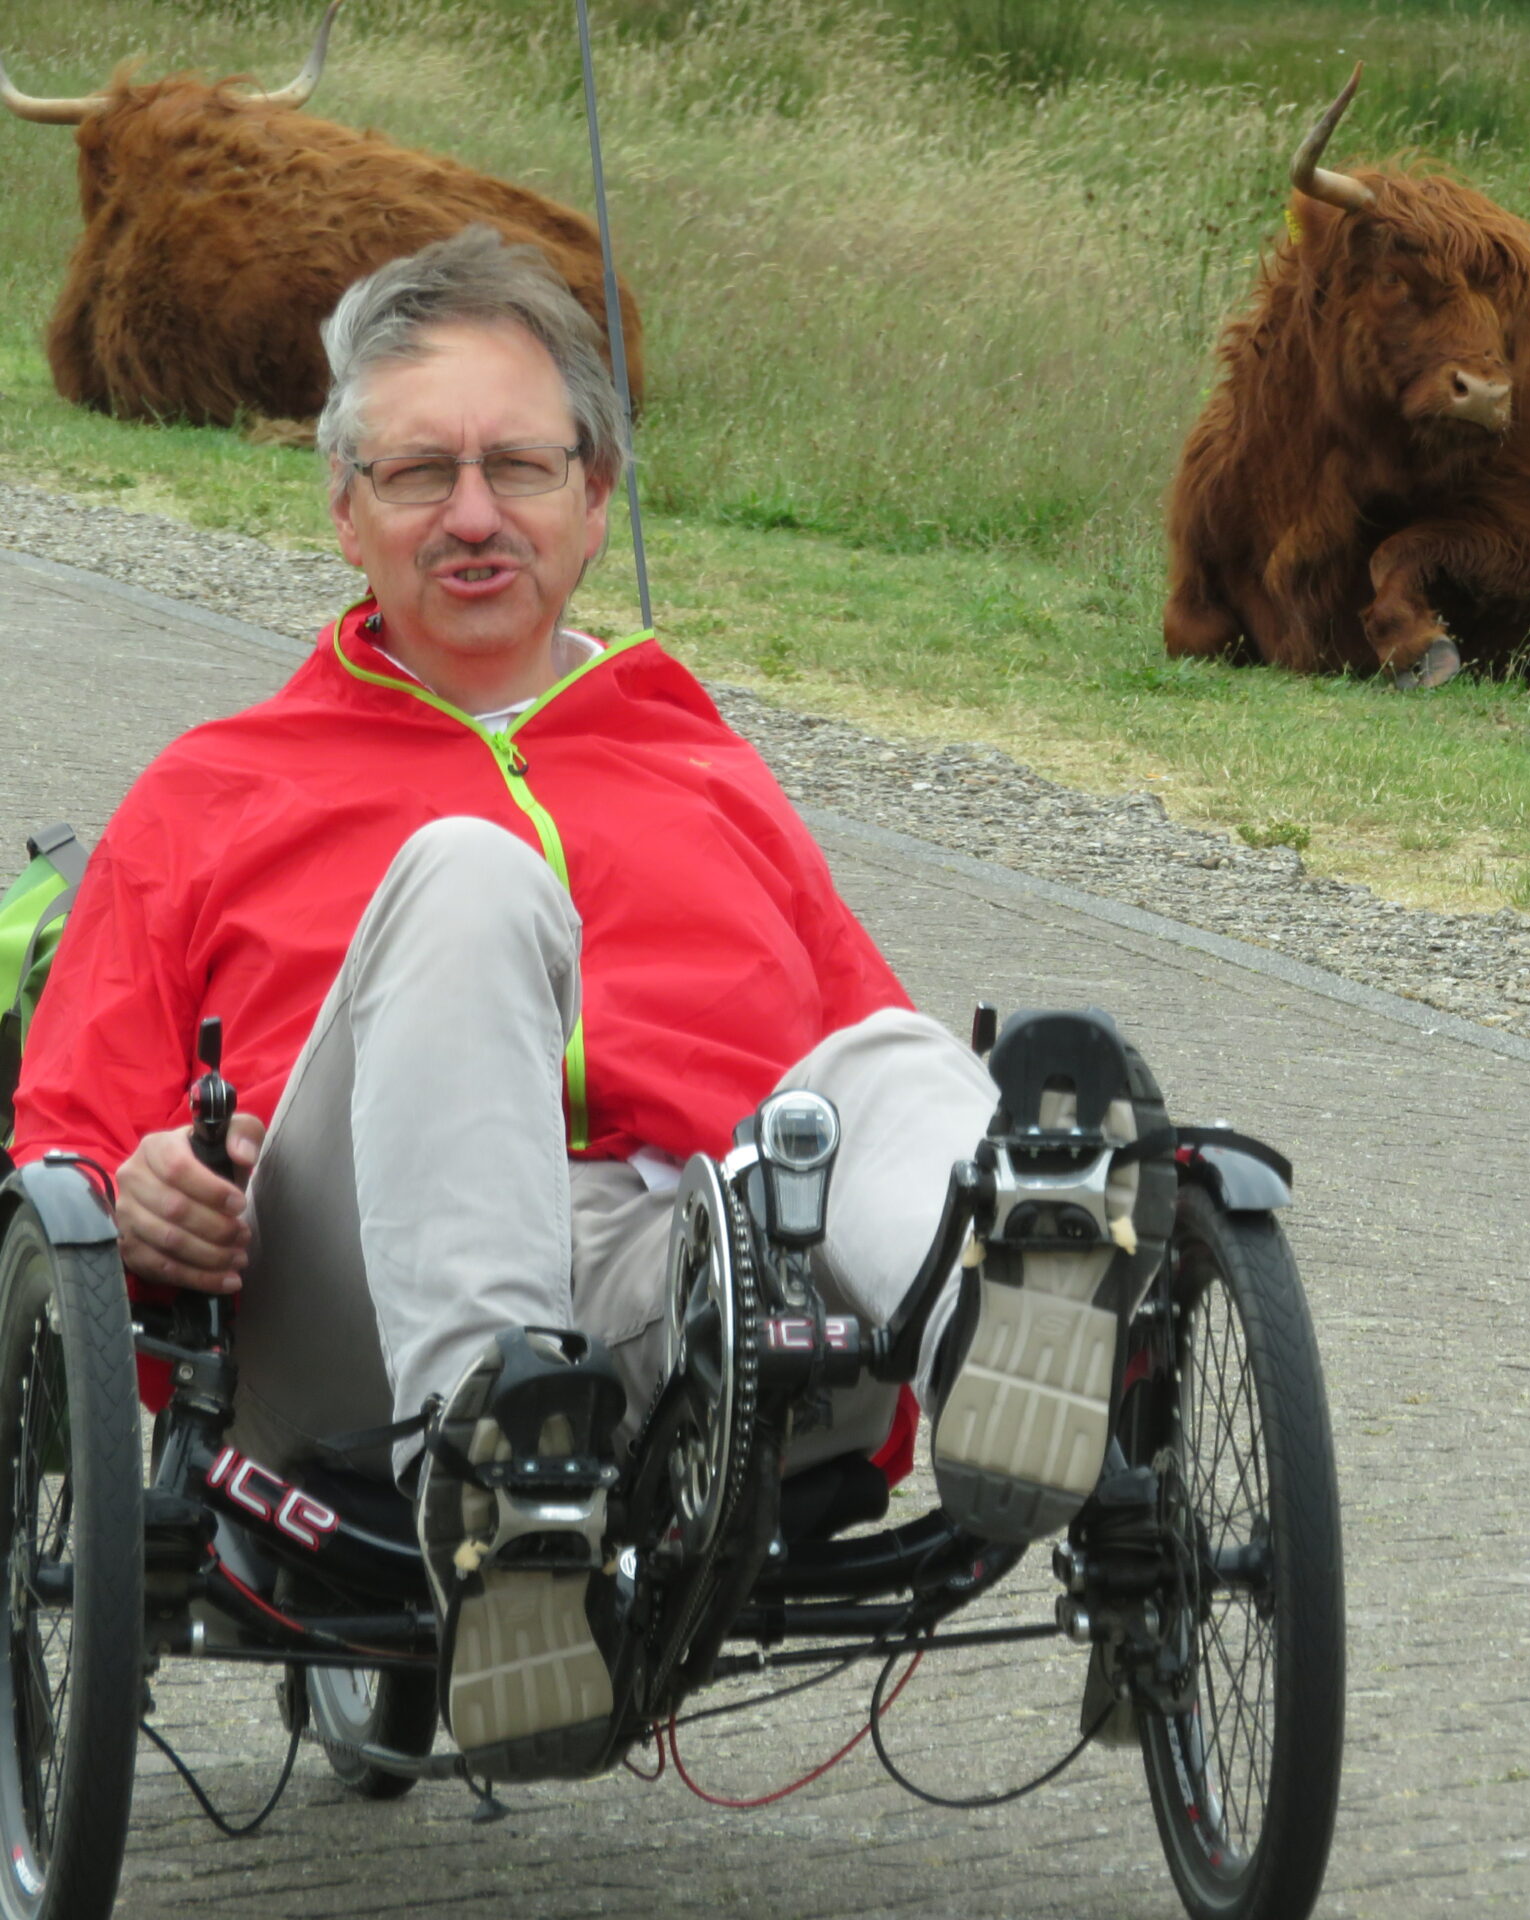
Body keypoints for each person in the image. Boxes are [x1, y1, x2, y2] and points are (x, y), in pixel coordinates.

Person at [8, 226, 1163, 1781]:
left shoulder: (703, 767)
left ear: (595, 495)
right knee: (466, 875)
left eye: (520, 468)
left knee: (886, 1061)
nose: (474, 516)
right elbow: (57, 1148)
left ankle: (1001, 1334)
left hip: (686, 1293)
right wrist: (135, 1185)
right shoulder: (218, 787)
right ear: (346, 510)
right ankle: (495, 1478)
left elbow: (842, 1063)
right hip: (345, 1307)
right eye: (421, 474)